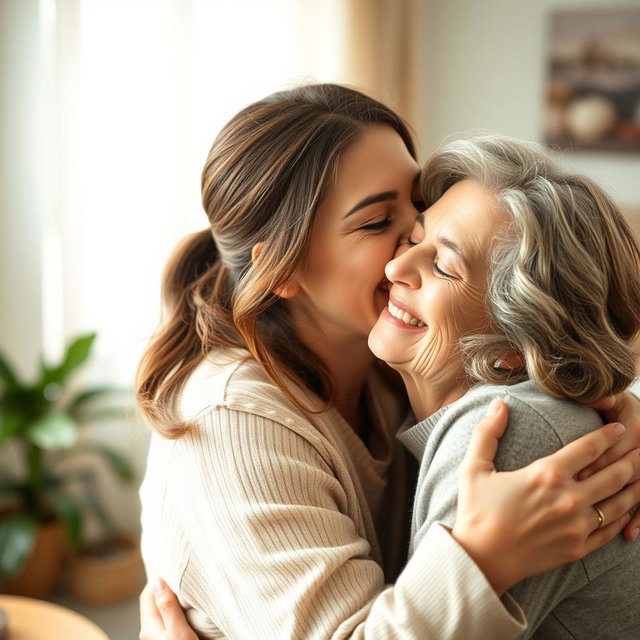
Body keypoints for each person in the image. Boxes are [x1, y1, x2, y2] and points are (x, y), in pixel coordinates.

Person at [137, 85, 640, 640]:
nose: (405, 251)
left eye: (419, 207)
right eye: (377, 222)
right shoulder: (235, 419)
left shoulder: (393, 365)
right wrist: (480, 559)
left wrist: (615, 410)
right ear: (283, 270)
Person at [367, 135, 640, 637]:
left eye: (444, 266)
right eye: (413, 238)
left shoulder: (507, 434)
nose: (395, 268)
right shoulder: (405, 401)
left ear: (516, 345)